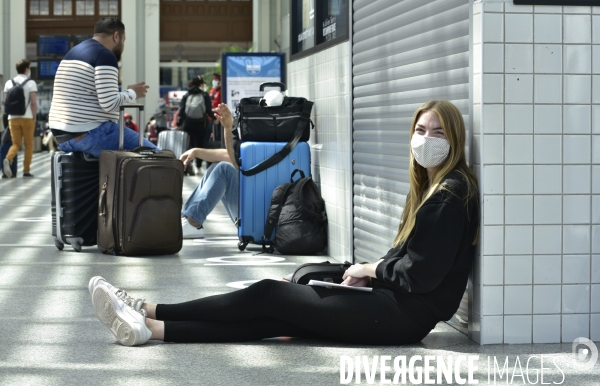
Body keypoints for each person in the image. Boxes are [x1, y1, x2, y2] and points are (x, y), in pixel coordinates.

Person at [88, 100, 480, 347]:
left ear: (455, 140)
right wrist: (359, 274)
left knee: (267, 295)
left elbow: (421, 274)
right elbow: (410, 264)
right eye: (420, 130)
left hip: (399, 318)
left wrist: (368, 268)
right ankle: (150, 330)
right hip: (393, 308)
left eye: (438, 133)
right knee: (275, 314)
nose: (425, 139)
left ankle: (148, 308)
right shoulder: (433, 189)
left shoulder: (449, 195)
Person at [48, 17, 156, 157]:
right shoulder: (105, 55)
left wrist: (125, 93)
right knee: (157, 157)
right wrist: (132, 93)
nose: (123, 45)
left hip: (63, 136)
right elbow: (109, 103)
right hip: (89, 133)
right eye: (123, 40)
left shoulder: (73, 52)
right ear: (116, 36)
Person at [178, 103, 239, 239]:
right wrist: (196, 151)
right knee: (217, 166)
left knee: (224, 168)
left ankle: (194, 222)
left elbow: (233, 160)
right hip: (256, 213)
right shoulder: (275, 146)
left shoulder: (269, 148)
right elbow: (231, 156)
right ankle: (188, 217)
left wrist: (228, 128)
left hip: (262, 220)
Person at [2, 59, 37, 178]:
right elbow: (33, 103)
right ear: (26, 69)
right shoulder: (31, 83)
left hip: (12, 118)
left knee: (16, 143)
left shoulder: (8, 83)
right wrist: (34, 117)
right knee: (28, 145)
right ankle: (26, 171)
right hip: (27, 117)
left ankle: (8, 158)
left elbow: (5, 102)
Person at [177, 76, 214, 173]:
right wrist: (214, 118)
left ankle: (187, 166)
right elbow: (208, 110)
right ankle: (198, 166)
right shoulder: (205, 95)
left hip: (188, 123)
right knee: (200, 145)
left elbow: (181, 111)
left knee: (188, 145)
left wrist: (179, 123)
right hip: (201, 123)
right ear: (201, 84)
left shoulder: (186, 95)